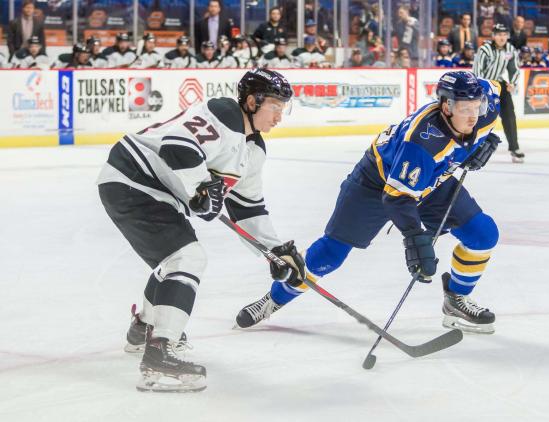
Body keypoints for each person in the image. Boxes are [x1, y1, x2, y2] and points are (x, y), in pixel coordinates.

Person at [235, 71, 502, 336]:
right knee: (331, 253)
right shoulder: (421, 142)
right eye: (465, 109)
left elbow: (502, 90)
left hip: (431, 181)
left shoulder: (486, 104)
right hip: (374, 182)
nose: (473, 116)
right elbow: (397, 199)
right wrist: (414, 240)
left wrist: (487, 139)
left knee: (483, 234)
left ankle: (456, 301)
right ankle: (274, 299)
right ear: (446, 106)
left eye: (476, 108)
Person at [97, 68, 301, 392]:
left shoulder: (254, 151)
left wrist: (275, 252)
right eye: (275, 106)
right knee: (187, 259)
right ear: (252, 101)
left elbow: (247, 208)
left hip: (153, 190)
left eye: (283, 108)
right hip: (133, 176)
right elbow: (178, 146)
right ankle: (159, 354)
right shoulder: (224, 113)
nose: (279, 116)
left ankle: (145, 329)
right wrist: (200, 188)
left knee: (176, 260)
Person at [473, 23, 524, 163]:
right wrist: (481, 89)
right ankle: (473, 148)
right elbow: (477, 70)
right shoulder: (485, 49)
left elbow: (515, 68)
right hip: (485, 86)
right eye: (499, 34)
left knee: (509, 117)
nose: (502, 37)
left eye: (504, 34)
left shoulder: (510, 49)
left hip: (500, 85)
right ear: (493, 36)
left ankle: (515, 148)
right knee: (480, 117)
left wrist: (512, 83)